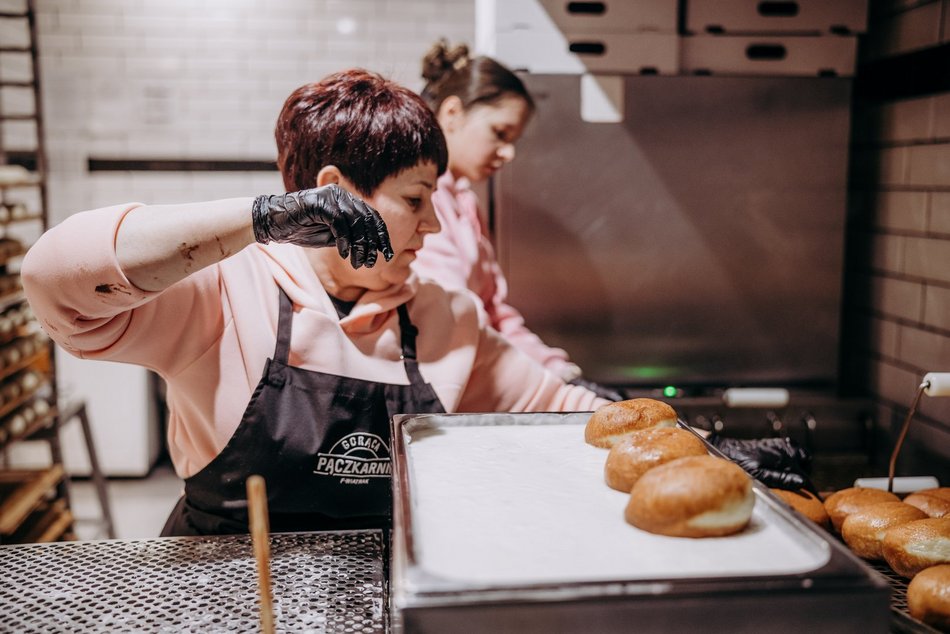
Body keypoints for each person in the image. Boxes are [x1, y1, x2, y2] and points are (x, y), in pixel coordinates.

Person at [21, 69, 608, 537]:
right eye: (414, 198)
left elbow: (562, 405)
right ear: (334, 193)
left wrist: (654, 425)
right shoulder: (226, 292)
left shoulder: (446, 317)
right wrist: (260, 218)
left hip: (380, 592)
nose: (432, 224)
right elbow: (54, 283)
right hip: (223, 591)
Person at [412, 40, 623, 401]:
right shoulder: (421, 201)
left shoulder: (465, 204)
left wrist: (559, 371)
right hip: (444, 392)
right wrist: (549, 390)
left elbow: (495, 311)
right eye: (500, 133)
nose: (508, 153)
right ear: (452, 114)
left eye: (514, 140)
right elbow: (456, 316)